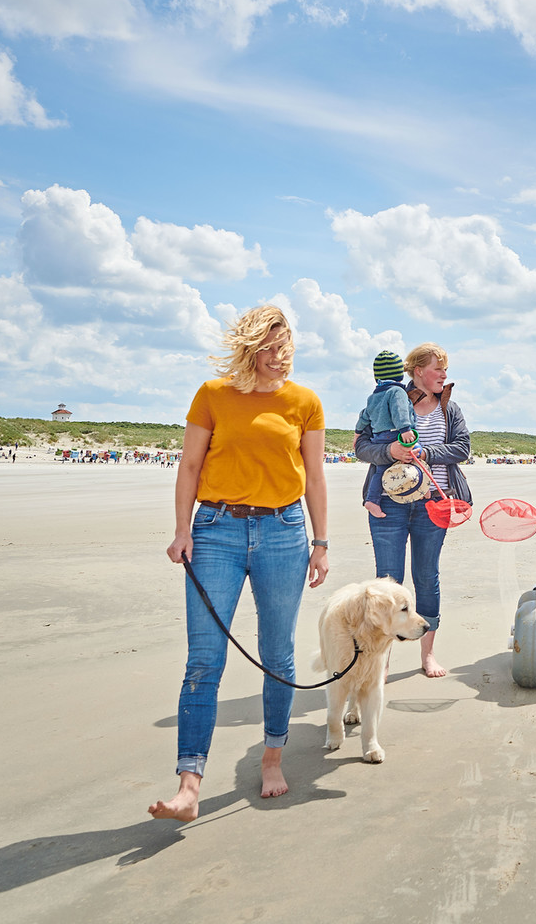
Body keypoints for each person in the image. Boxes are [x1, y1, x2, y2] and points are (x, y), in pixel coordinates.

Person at [150, 306, 330, 823]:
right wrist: (182, 530)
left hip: (284, 533)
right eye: (271, 349)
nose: (281, 359)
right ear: (250, 349)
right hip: (216, 532)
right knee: (204, 660)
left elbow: (315, 477)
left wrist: (321, 542)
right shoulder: (212, 396)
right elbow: (188, 466)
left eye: (286, 349)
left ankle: (272, 758)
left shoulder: (305, 402)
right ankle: (189, 785)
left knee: (278, 654)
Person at [354, 342, 470, 678]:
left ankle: (428, 654)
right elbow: (361, 445)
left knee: (426, 577)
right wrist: (391, 449)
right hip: (389, 503)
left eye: (445, 369)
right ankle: (381, 661)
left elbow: (462, 448)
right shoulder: (388, 398)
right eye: (438, 368)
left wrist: (424, 452)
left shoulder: (450, 409)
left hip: (433, 503)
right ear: (418, 371)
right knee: (387, 583)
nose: (444, 376)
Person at [356, 350, 424, 517]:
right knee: (417, 454)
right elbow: (400, 411)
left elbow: (364, 416)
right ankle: (422, 487)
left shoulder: (374, 396)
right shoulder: (397, 391)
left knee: (382, 469)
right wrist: (405, 429)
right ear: (400, 375)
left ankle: (372, 500)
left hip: (379, 438)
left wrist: (358, 433)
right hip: (396, 434)